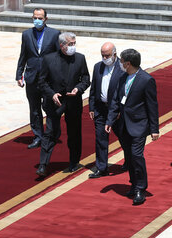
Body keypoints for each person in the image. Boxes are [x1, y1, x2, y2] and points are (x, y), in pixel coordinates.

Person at [105, 49, 159, 205]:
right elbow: (115, 100)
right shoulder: (123, 77)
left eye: (121, 61)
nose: (120, 64)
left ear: (127, 63)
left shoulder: (146, 80)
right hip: (124, 125)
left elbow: (152, 106)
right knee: (129, 156)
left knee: (136, 155)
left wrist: (154, 129)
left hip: (139, 125)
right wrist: (109, 121)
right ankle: (134, 184)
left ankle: (140, 188)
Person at [36, 32, 90, 176]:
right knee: (50, 132)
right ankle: (43, 164)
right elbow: (42, 81)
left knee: (74, 133)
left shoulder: (80, 58)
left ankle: (74, 162)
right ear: (61, 45)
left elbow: (85, 79)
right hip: (55, 103)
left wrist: (78, 89)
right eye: (70, 44)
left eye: (74, 43)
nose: (73, 46)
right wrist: (51, 94)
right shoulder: (49, 59)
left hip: (73, 102)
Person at [16, 8, 61, 149]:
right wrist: (19, 74)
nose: (37, 20)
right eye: (35, 17)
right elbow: (23, 55)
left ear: (45, 19)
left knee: (49, 107)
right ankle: (38, 136)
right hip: (32, 77)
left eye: (40, 18)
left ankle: (51, 134)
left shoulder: (54, 34)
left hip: (48, 79)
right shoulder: (26, 34)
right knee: (34, 109)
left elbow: (59, 57)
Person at [88, 42, 127, 178]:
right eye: (103, 55)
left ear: (115, 54)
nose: (105, 58)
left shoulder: (122, 68)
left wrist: (121, 110)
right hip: (100, 109)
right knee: (100, 138)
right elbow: (94, 88)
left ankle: (129, 160)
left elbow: (126, 91)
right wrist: (91, 106)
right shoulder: (98, 67)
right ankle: (102, 167)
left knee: (123, 136)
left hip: (116, 110)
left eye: (107, 56)